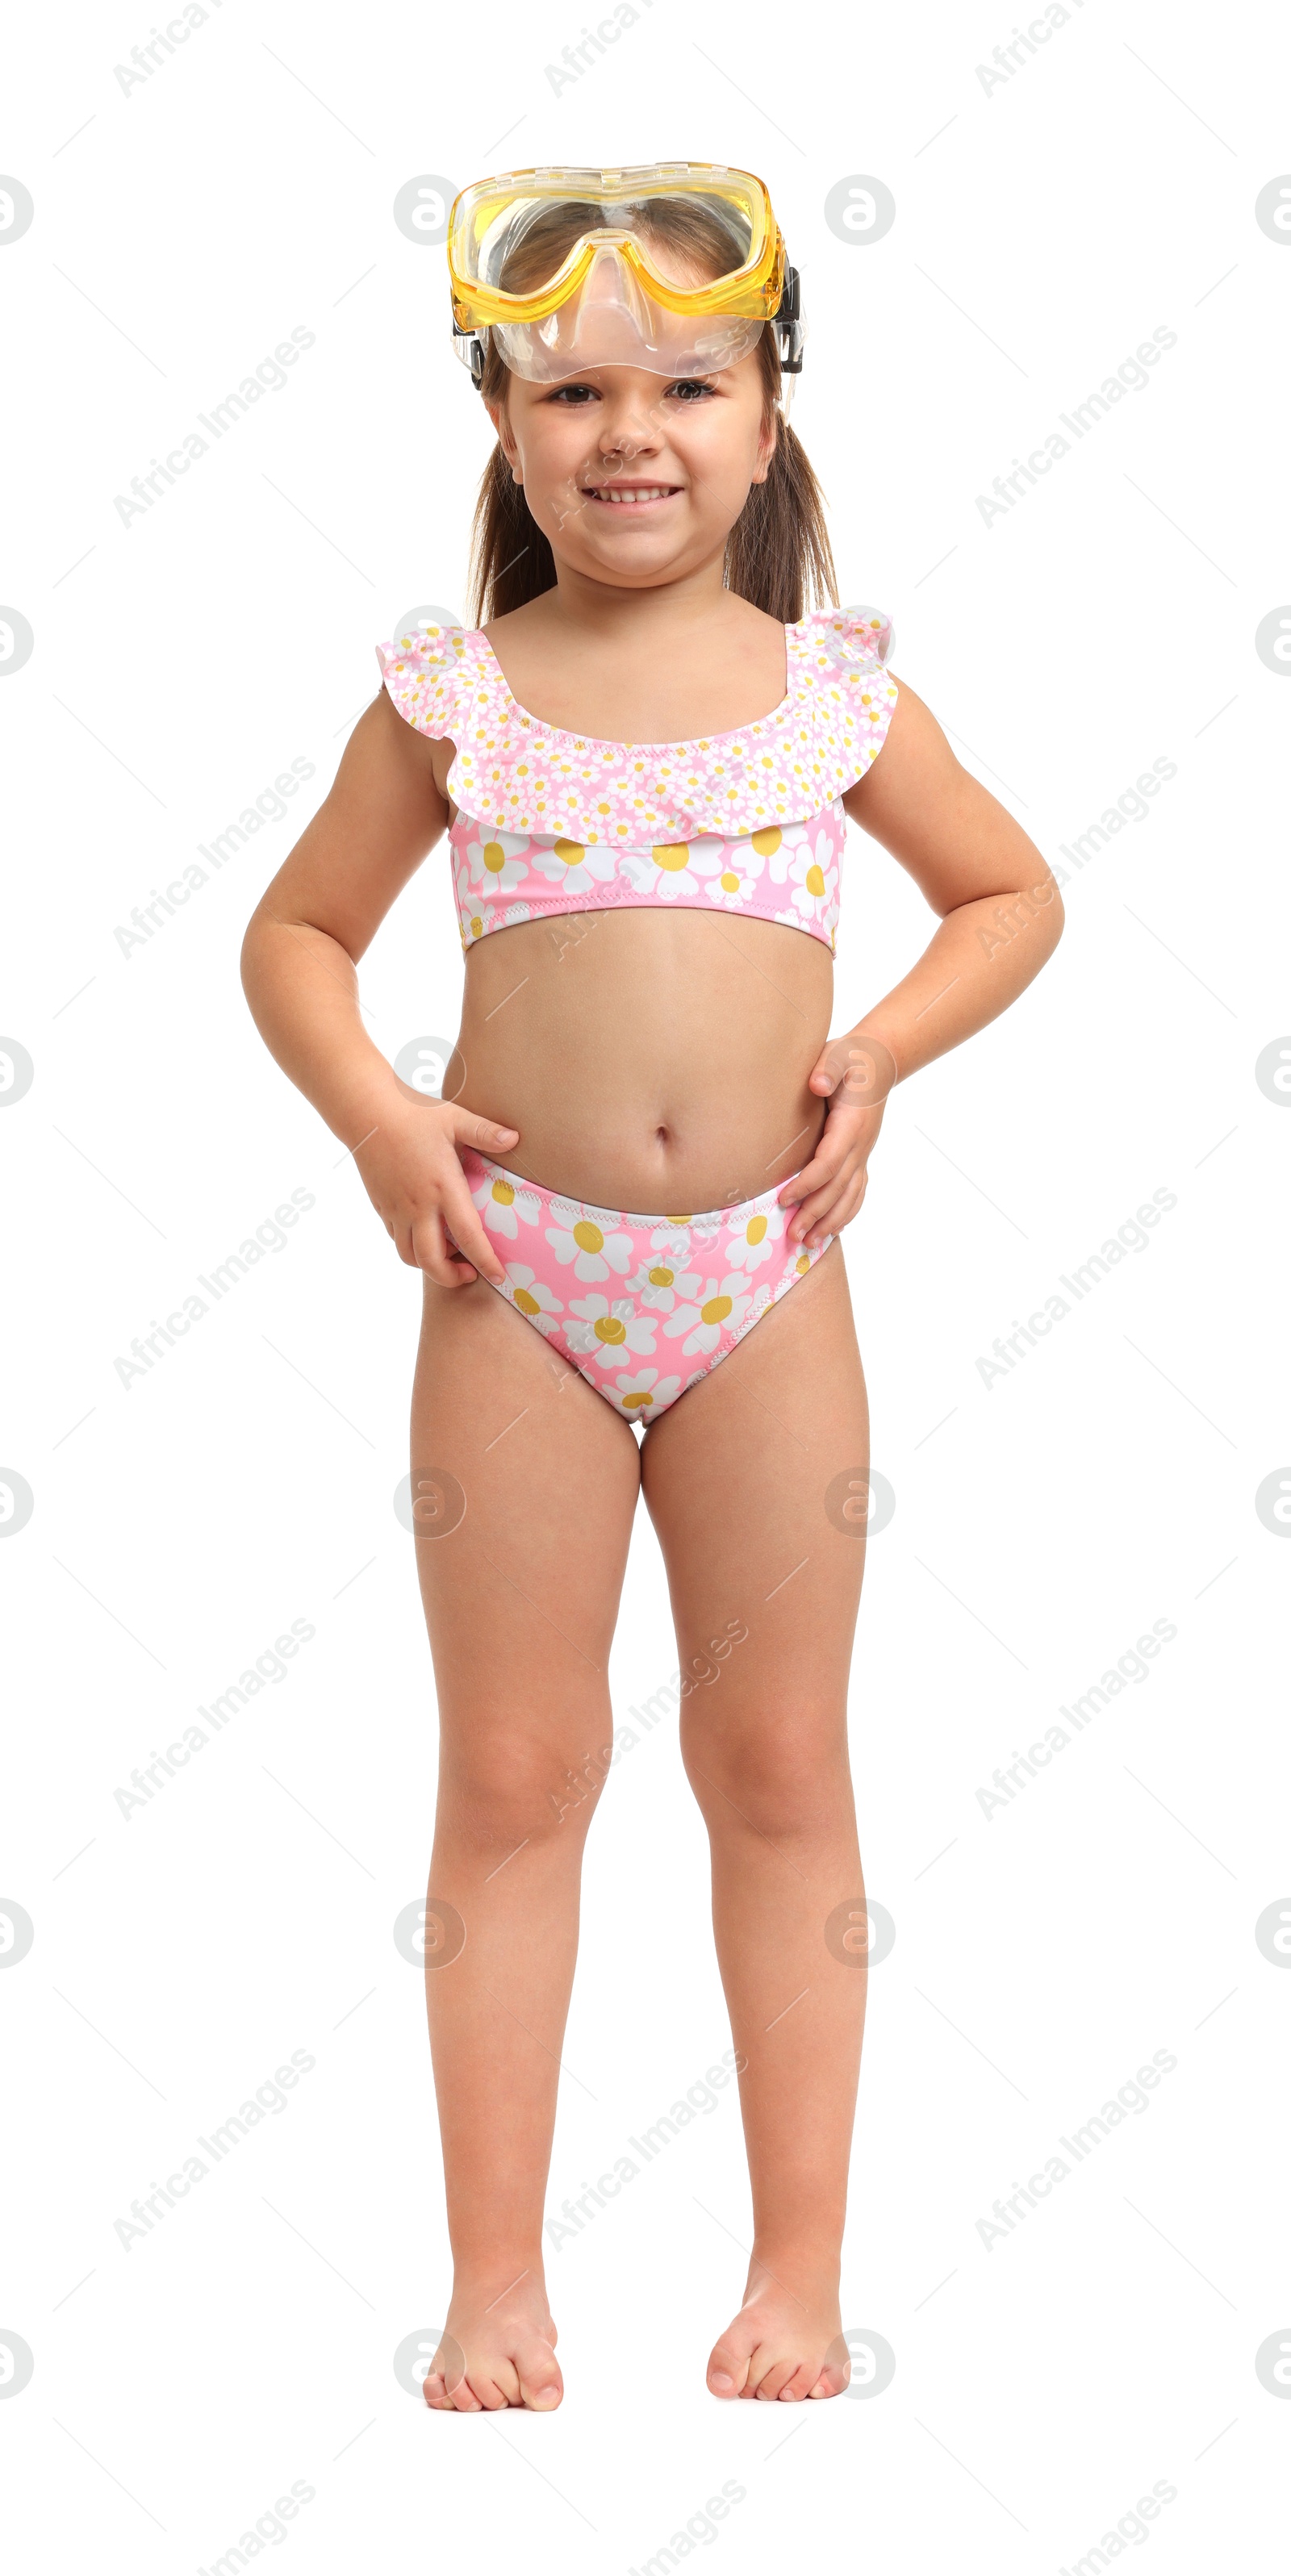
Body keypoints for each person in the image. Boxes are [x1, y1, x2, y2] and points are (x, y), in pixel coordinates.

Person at [240, 162, 1063, 2412]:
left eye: (689, 384)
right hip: (517, 1281)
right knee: (514, 1765)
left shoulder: (829, 693)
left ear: (771, 414)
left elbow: (1007, 893)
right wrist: (384, 1124)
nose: (634, 430)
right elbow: (294, 936)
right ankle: (494, 2282)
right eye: (572, 386)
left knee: (779, 1755)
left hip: (760, 1283)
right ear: (501, 422)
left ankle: (799, 2272)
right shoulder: (458, 693)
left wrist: (877, 1052)